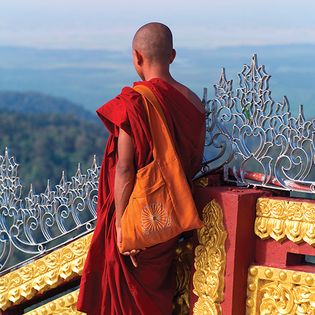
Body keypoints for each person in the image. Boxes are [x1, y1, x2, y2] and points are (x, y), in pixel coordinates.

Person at [77, 22, 205, 315]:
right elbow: (194, 162)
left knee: (125, 298)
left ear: (137, 57)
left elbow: (124, 168)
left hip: (137, 220)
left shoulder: (135, 102)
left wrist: (124, 225)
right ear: (172, 55)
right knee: (154, 295)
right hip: (169, 220)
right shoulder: (193, 103)